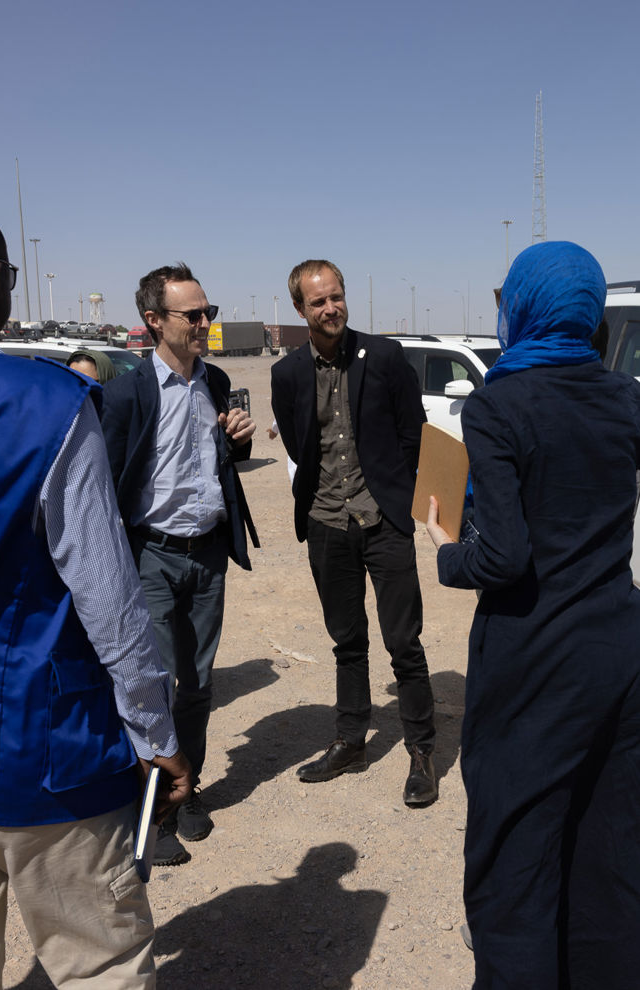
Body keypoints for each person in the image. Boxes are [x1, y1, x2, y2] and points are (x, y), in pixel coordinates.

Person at [0, 206, 192, 990]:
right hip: (42, 758)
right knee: (99, 962)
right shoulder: (48, 406)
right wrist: (154, 731)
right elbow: (108, 597)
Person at [427, 241, 640, 988]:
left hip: (535, 653)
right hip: (620, 645)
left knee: (515, 846)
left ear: (522, 305)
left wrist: (447, 548)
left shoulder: (499, 403)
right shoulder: (622, 395)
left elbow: (504, 557)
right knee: (607, 843)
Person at [102, 263, 258, 866]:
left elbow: (221, 461)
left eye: (208, 313)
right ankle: (153, 807)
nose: (204, 324)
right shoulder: (125, 394)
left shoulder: (216, 383)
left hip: (208, 554)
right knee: (154, 688)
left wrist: (238, 441)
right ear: (153, 321)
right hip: (152, 557)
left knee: (197, 685)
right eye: (192, 316)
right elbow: (108, 486)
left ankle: (188, 791)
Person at [271, 259, 437, 806]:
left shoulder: (385, 357)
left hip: (383, 521)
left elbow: (413, 437)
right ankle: (351, 741)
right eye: (318, 301)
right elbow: (300, 447)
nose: (331, 308)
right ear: (301, 309)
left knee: (403, 643)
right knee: (347, 642)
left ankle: (420, 750)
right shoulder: (287, 374)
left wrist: (396, 500)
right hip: (326, 524)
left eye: (336, 296)